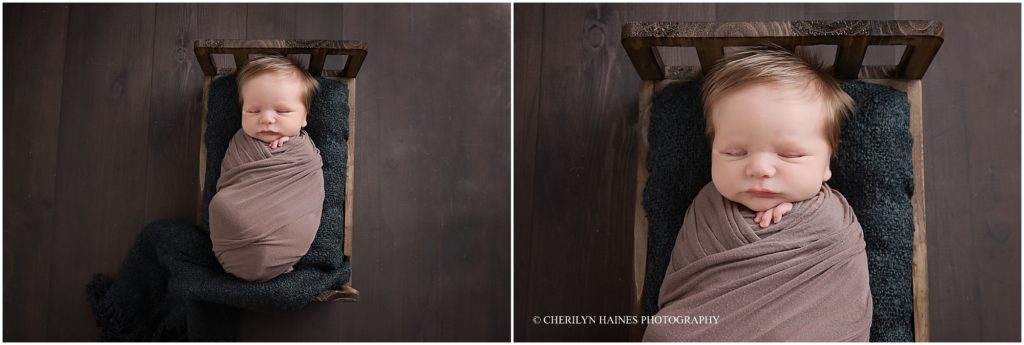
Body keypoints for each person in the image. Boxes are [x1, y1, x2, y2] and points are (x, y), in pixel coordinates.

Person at [643, 45, 873, 341]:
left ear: (827, 164)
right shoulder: (706, 209)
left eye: (789, 155)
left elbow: (842, 303)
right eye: (735, 152)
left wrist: (797, 224)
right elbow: (687, 296)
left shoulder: (834, 223)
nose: (760, 168)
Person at [208, 55, 325, 282]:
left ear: (304, 117)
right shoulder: (240, 142)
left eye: (281, 112)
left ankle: (277, 256)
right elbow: (231, 179)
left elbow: (307, 185)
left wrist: (289, 148)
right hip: (233, 232)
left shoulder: (303, 152)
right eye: (253, 111)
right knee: (221, 205)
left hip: (285, 229)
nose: (267, 119)